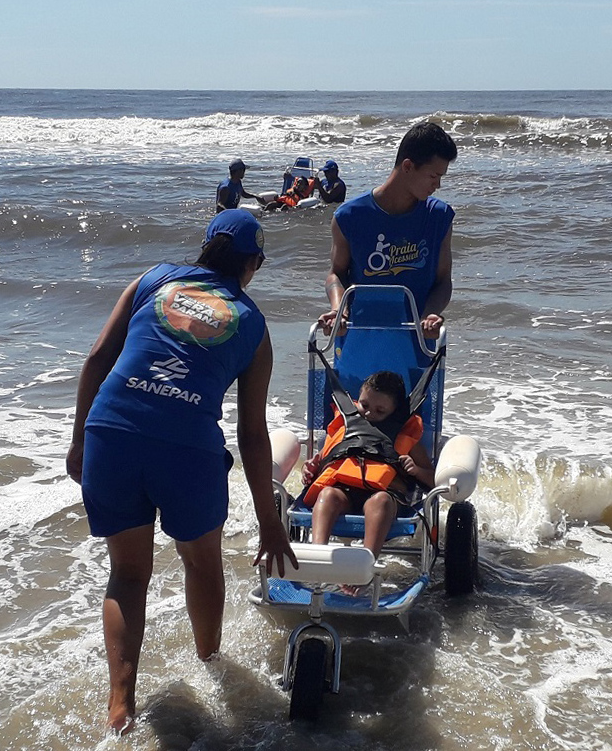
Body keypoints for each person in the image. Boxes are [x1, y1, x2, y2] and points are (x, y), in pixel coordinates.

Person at [66, 209, 297, 735]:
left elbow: (99, 358)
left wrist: (81, 438)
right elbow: (252, 434)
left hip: (113, 431)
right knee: (202, 563)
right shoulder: (254, 325)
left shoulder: (155, 278)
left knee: (127, 574)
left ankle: (119, 709)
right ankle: (211, 663)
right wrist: (269, 521)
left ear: (207, 246)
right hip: (186, 450)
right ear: (253, 265)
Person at [319, 122, 457, 339]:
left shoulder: (439, 217)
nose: (437, 185)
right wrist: (338, 310)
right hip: (359, 339)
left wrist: (430, 314)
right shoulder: (349, 217)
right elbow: (336, 273)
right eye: (433, 176)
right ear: (408, 166)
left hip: (417, 343)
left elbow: (443, 281)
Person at [301, 372, 434, 560]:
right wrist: (309, 469)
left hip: (385, 498)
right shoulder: (345, 427)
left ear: (395, 411)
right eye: (364, 405)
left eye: (380, 411)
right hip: (344, 493)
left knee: (380, 501)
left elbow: (434, 480)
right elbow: (324, 461)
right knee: (327, 494)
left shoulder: (404, 437)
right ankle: (317, 558)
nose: (370, 413)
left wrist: (417, 470)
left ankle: (365, 563)